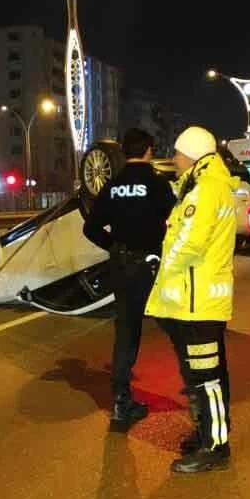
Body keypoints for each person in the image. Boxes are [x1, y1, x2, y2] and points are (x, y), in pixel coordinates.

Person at [145, 126, 238, 474]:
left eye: (179, 154)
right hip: (198, 300)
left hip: (197, 302)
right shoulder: (208, 185)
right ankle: (207, 434)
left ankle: (215, 446)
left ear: (193, 154)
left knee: (207, 377)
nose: (175, 160)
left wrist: (162, 268)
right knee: (206, 375)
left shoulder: (205, 190)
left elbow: (188, 243)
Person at [82, 128, 176, 431]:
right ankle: (197, 389)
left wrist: (115, 248)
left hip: (122, 267)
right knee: (175, 325)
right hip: (153, 266)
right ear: (149, 150)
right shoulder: (158, 183)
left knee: (126, 333)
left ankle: (121, 404)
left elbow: (91, 228)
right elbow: (174, 221)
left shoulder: (112, 186)